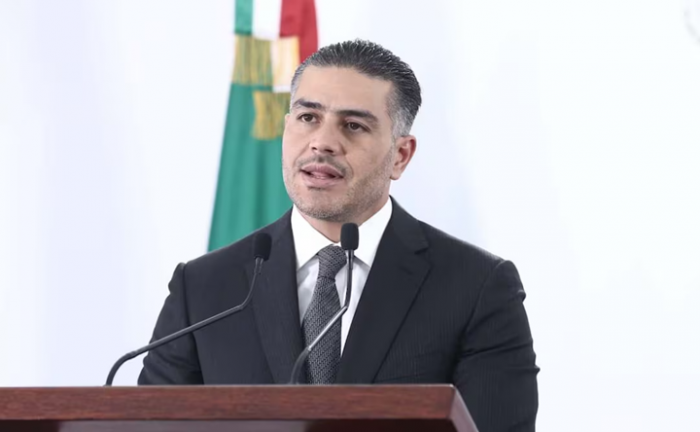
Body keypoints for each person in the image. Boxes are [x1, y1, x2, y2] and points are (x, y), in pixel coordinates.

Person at [139, 39, 539, 432]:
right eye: (308, 118)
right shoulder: (204, 289)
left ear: (400, 156)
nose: (323, 143)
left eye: (353, 126)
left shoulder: (476, 288)